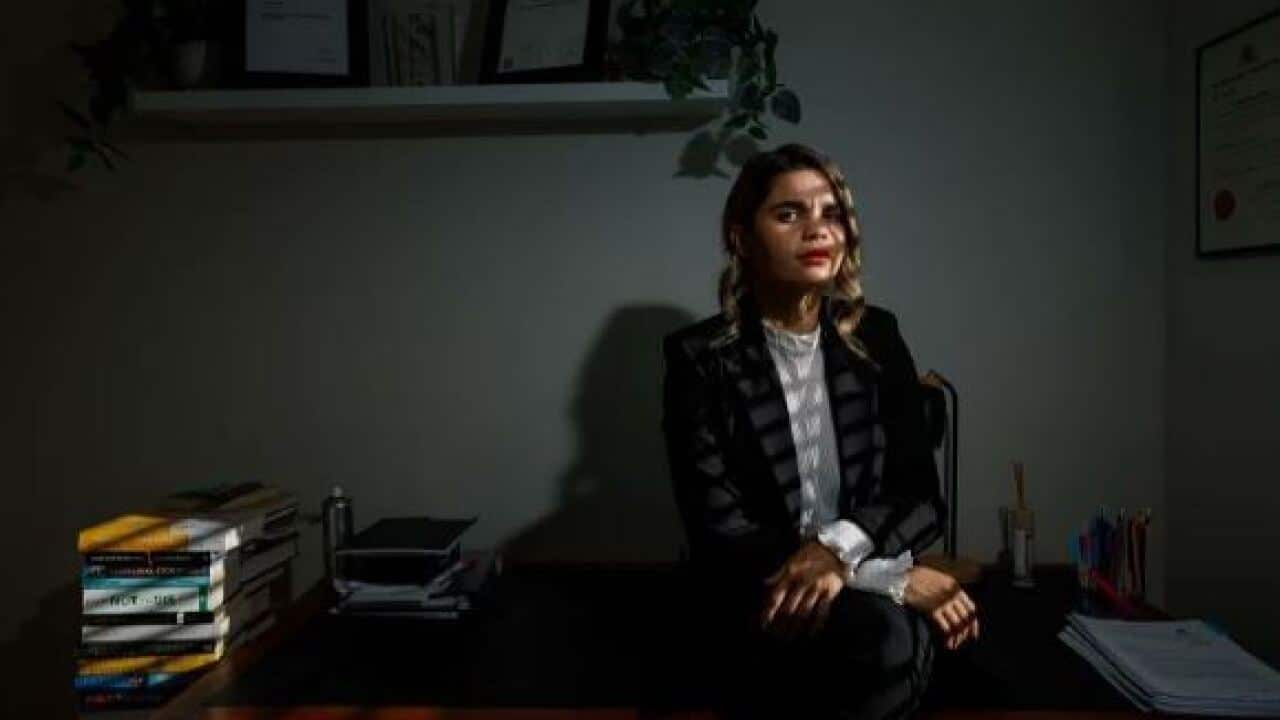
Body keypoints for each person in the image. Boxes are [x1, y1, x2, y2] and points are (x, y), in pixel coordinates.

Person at [660, 143, 980, 719]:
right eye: (789, 214)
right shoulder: (699, 359)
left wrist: (837, 553)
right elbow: (718, 529)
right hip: (757, 588)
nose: (817, 230)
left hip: (856, 598)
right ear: (741, 238)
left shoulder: (877, 337)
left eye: (830, 214)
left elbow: (921, 498)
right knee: (880, 641)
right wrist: (888, 580)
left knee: (906, 646)